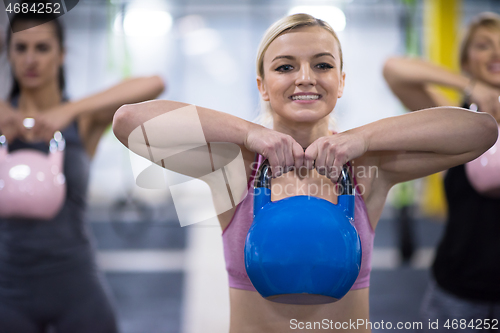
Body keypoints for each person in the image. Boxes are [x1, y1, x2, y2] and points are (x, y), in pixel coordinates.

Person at [113, 14, 497, 332]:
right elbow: (129, 121)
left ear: (341, 81)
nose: (305, 77)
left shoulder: (367, 168)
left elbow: (480, 131)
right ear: (262, 87)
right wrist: (250, 133)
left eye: (322, 64)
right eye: (285, 67)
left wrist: (360, 138)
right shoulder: (233, 167)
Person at [0, 10, 164, 333]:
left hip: (74, 286)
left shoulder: (82, 120)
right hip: (7, 289)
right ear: (8, 53)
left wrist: (69, 110)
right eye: (21, 48)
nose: (31, 59)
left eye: (43, 48)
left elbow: (155, 84)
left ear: (61, 55)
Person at [383, 12, 500, 329]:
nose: (495, 53)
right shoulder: (455, 124)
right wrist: (469, 86)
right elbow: (394, 69)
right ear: (465, 60)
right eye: (483, 45)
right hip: (459, 288)